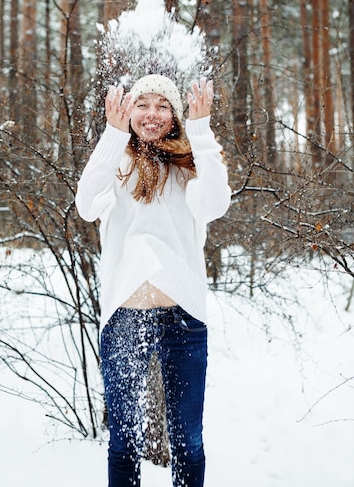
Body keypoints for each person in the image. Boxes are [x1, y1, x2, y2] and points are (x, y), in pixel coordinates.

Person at [76, 74, 231, 487]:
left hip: (184, 322)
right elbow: (87, 205)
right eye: (142, 104)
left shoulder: (190, 167)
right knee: (124, 444)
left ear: (176, 115)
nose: (152, 114)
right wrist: (111, 134)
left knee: (188, 443)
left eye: (163, 106)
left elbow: (215, 205)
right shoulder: (118, 163)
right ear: (129, 111)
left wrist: (201, 130)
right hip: (124, 320)